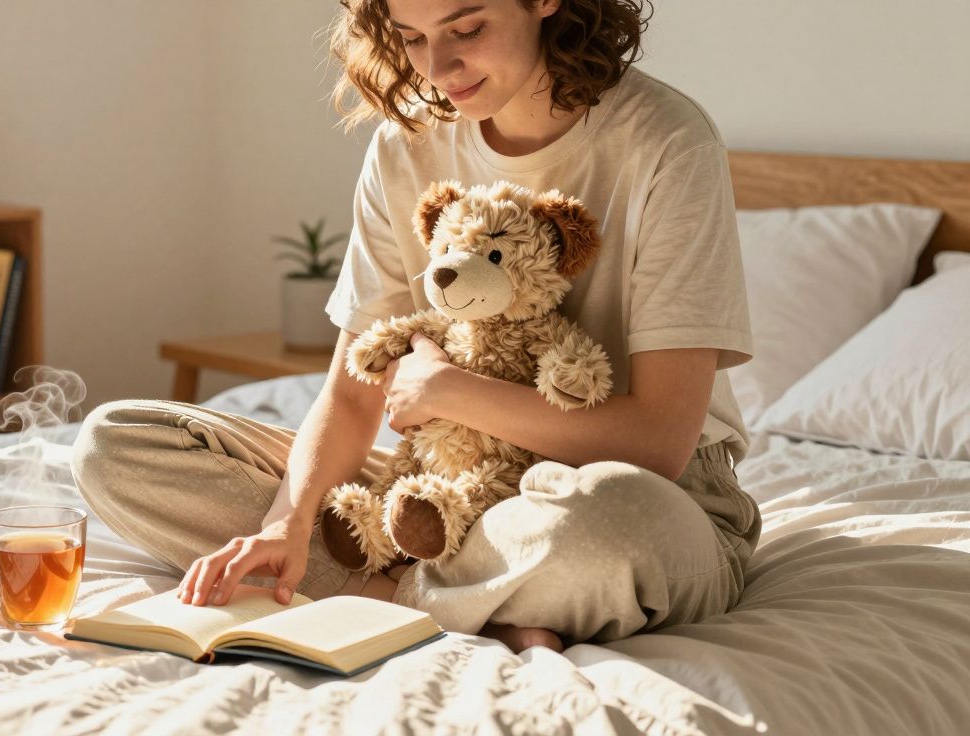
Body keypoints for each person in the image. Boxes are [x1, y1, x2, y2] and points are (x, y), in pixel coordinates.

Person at [70, 0, 761, 655]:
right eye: (412, 36)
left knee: (607, 527)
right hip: (442, 479)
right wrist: (287, 523)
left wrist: (448, 390)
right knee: (114, 445)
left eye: (466, 29)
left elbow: (660, 443)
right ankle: (476, 597)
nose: (438, 69)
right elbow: (351, 394)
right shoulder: (407, 148)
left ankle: (381, 591)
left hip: (640, 494)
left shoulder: (668, 141)